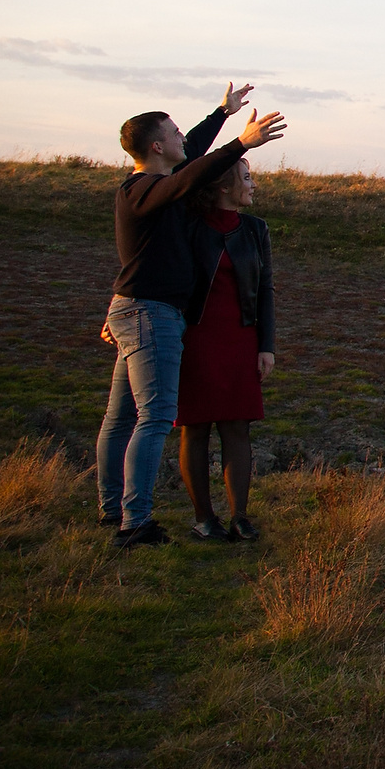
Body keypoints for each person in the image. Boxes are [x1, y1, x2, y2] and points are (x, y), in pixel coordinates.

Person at [97, 85, 285, 548]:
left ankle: (112, 509)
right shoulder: (143, 189)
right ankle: (134, 523)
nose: (184, 137)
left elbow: (192, 158)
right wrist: (240, 143)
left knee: (120, 419)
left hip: (138, 308)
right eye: (175, 132)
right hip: (151, 313)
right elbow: (191, 174)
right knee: (156, 417)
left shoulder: (157, 187)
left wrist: (222, 113)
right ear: (156, 146)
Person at [175, 157, 277, 542]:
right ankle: (204, 519)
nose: (253, 185)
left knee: (237, 425)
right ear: (222, 186)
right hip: (195, 338)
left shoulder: (255, 229)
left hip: (241, 338)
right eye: (246, 178)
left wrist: (266, 346)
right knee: (195, 427)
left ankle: (240, 518)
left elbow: (265, 289)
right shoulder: (189, 226)